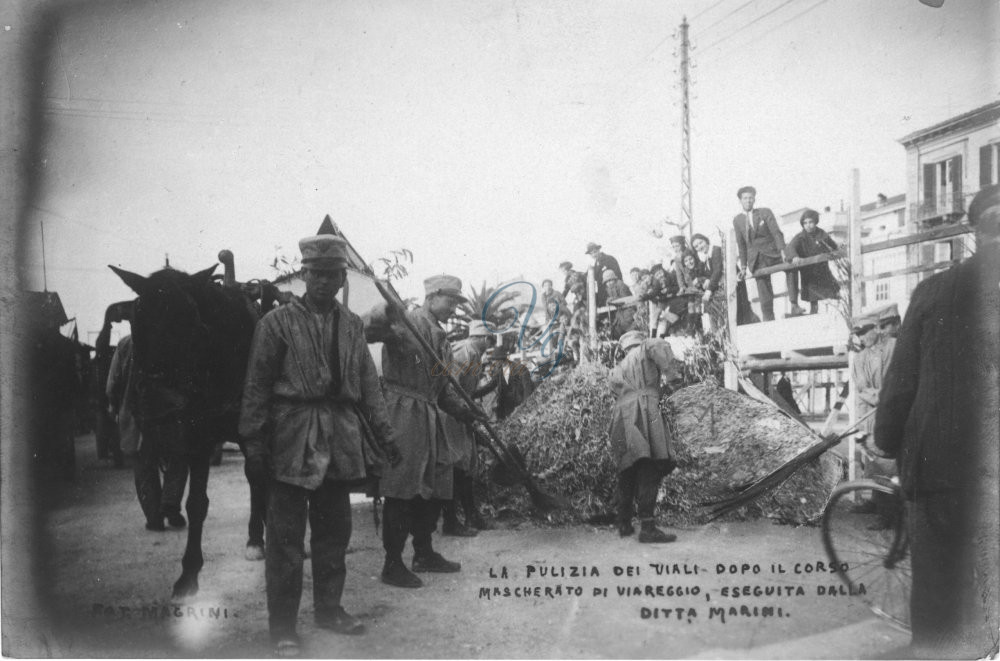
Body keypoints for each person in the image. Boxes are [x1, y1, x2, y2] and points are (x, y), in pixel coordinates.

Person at [239, 234, 400, 655]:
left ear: (343, 277)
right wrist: (253, 444)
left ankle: (329, 609)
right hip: (292, 438)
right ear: (304, 275)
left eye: (332, 274)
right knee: (285, 540)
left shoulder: (352, 327)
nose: (324, 282)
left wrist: (386, 438)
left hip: (341, 440)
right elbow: (256, 388)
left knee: (334, 533)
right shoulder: (274, 325)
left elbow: (369, 388)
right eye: (316, 274)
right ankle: (284, 627)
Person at [875, 184, 1000, 658]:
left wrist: (885, 441)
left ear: (973, 232)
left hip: (939, 466)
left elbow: (901, 381)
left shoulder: (931, 291)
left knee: (937, 595)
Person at [364, 274, 484, 589]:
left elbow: (443, 390)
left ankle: (424, 552)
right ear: (431, 297)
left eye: (458, 304)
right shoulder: (406, 322)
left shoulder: (439, 337)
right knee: (403, 488)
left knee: (434, 486)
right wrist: (387, 311)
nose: (454, 309)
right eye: (450, 301)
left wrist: (465, 411)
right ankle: (392, 563)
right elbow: (368, 330)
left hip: (430, 414)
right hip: (403, 411)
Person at [108, 333, 190, 531]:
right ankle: (170, 503)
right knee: (178, 458)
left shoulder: (125, 344)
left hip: (136, 416)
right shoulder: (173, 339)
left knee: (144, 467)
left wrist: (113, 405)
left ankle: (154, 517)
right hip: (170, 414)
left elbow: (113, 383)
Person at [608, 330, 681, 543]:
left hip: (622, 417)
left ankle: (624, 523)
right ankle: (648, 528)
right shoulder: (646, 348)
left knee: (628, 468)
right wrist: (673, 377)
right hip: (644, 410)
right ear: (639, 341)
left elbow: (616, 392)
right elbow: (660, 346)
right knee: (650, 466)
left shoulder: (617, 368)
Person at [441, 320, 493, 535]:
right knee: (455, 466)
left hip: (462, 414)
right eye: (488, 340)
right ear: (482, 338)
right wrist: (465, 412)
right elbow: (449, 386)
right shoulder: (464, 351)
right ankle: (451, 521)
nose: (489, 344)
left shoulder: (474, 354)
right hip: (451, 414)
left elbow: (468, 391)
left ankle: (471, 514)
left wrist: (490, 387)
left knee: (466, 465)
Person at [732, 185, 801, 320]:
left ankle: (794, 304)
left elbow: (776, 232)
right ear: (740, 201)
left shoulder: (764, 212)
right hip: (757, 259)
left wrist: (782, 250)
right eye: (745, 198)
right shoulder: (737, 220)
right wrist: (744, 266)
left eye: (751, 198)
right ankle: (768, 318)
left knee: (791, 266)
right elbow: (741, 244)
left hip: (773, 253)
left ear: (754, 200)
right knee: (763, 287)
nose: (748, 201)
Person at [784, 208, 841, 315]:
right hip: (809, 270)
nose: (808, 225)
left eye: (811, 222)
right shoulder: (800, 237)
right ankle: (813, 312)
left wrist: (838, 248)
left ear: (815, 222)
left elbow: (832, 244)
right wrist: (795, 256)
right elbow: (790, 247)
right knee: (812, 295)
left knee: (833, 291)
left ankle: (837, 311)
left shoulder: (821, 234)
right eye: (805, 223)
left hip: (822, 268)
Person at [691, 233, 725, 332]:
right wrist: (706, 279)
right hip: (717, 287)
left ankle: (720, 333)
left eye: (700, 243)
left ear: (706, 240)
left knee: (714, 305)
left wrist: (709, 290)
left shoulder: (715, 250)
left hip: (727, 286)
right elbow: (702, 274)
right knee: (709, 308)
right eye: (696, 246)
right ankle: (716, 334)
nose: (699, 247)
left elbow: (717, 271)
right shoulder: (703, 257)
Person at [585, 242, 622, 307]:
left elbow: (618, 275)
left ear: (599, 250)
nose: (593, 255)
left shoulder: (609, 259)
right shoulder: (595, 265)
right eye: (591, 254)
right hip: (603, 295)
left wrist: (617, 291)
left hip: (613, 292)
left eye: (595, 252)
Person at [601, 269, 633, 340]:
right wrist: (609, 301)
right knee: (615, 329)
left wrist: (613, 299)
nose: (608, 283)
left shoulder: (621, 285)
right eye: (607, 282)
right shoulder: (609, 289)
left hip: (628, 310)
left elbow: (626, 299)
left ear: (614, 279)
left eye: (610, 280)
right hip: (620, 312)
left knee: (627, 327)